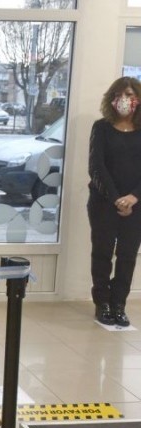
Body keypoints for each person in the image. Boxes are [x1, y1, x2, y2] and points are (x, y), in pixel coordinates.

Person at [88, 76, 141, 327]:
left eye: (130, 95)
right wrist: (116, 199)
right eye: (121, 95)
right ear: (112, 99)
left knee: (128, 256)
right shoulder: (101, 127)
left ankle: (119, 304)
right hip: (103, 202)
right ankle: (103, 303)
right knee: (102, 253)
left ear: (138, 100)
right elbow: (96, 167)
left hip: (137, 204)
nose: (125, 100)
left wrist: (133, 197)